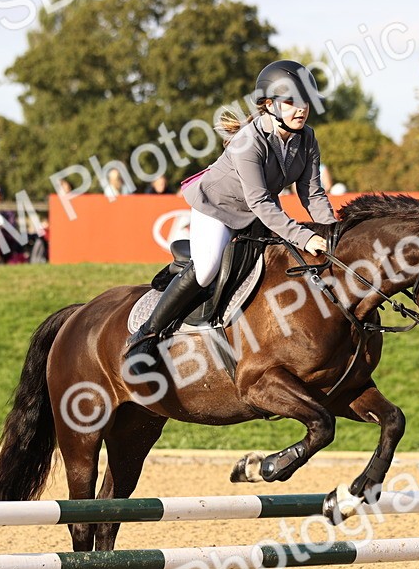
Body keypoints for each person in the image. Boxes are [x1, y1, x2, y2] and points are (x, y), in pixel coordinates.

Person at [125, 59, 336, 359]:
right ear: (269, 105)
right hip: (218, 208)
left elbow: (312, 193)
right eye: (291, 102)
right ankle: (146, 335)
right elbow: (259, 201)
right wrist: (305, 236)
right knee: (207, 270)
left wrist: (333, 233)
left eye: (306, 102)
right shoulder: (248, 141)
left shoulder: (307, 138)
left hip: (257, 212)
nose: (301, 109)